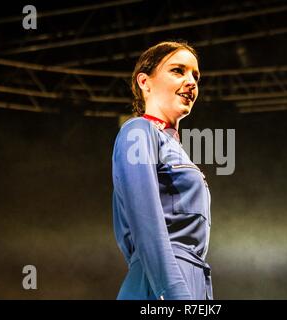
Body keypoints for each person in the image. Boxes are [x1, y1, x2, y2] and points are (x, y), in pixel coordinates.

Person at [111, 41, 212, 300]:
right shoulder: (138, 131)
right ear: (145, 82)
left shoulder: (173, 146)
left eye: (195, 76)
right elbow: (145, 224)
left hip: (188, 281)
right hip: (162, 284)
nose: (191, 82)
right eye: (178, 71)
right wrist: (174, 293)